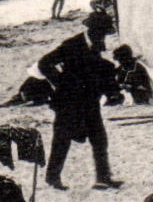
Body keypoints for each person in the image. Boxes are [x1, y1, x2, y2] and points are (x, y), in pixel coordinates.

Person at [38, 10, 119, 191]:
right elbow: (44, 63)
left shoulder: (96, 45)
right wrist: (61, 82)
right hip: (68, 102)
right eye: (101, 32)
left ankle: (103, 178)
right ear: (92, 30)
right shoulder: (71, 45)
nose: (103, 37)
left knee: (99, 139)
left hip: (89, 102)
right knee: (62, 140)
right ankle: (52, 177)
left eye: (104, 33)